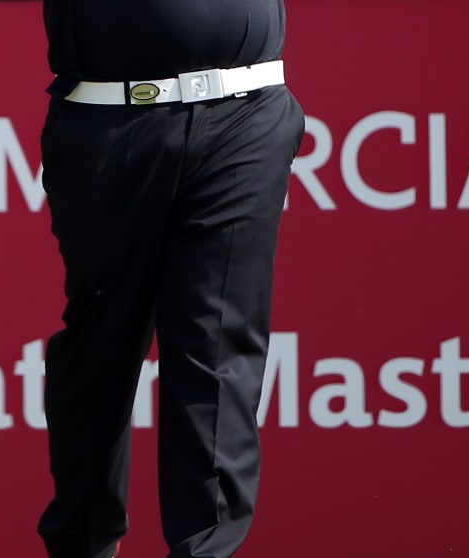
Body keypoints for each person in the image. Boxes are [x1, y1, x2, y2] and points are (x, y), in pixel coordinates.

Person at [36, 0, 305, 556]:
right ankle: (81, 545)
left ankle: (205, 551)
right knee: (99, 353)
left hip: (246, 109)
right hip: (108, 118)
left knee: (218, 348)